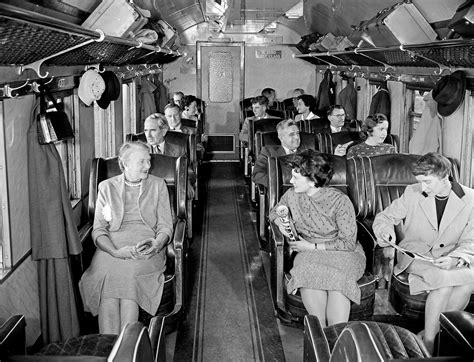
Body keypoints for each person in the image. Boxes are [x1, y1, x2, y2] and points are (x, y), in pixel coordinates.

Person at [373, 153, 474, 353]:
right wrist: (386, 231)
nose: (423, 188)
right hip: (416, 255)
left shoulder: (471, 199)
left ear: (445, 176)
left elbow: (472, 240)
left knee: (466, 284)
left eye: (427, 182)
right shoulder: (413, 192)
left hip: (451, 257)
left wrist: (455, 259)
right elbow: (384, 217)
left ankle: (431, 336)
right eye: (420, 182)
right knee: (445, 283)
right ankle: (429, 342)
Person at [79, 142, 173, 334]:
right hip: (112, 246)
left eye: (149, 160)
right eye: (142, 162)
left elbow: (165, 225)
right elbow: (99, 229)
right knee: (107, 280)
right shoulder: (106, 187)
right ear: (125, 164)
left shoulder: (158, 185)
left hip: (147, 245)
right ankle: (111, 346)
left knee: (129, 278)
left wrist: (157, 243)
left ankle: (127, 349)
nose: (148, 165)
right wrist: (115, 251)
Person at [269, 150, 366, 327]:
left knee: (339, 284)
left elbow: (347, 243)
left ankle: (335, 338)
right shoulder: (292, 195)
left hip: (344, 253)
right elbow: (275, 211)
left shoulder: (341, 201)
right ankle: (319, 337)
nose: (290, 181)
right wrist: (279, 222)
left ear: (313, 181)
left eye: (295, 178)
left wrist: (311, 246)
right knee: (307, 274)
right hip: (308, 253)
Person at [252, 119, 303, 187]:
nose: (297, 137)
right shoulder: (268, 152)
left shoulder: (307, 152)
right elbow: (257, 175)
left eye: (297, 133)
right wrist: (277, 183)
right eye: (291, 134)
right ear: (281, 138)